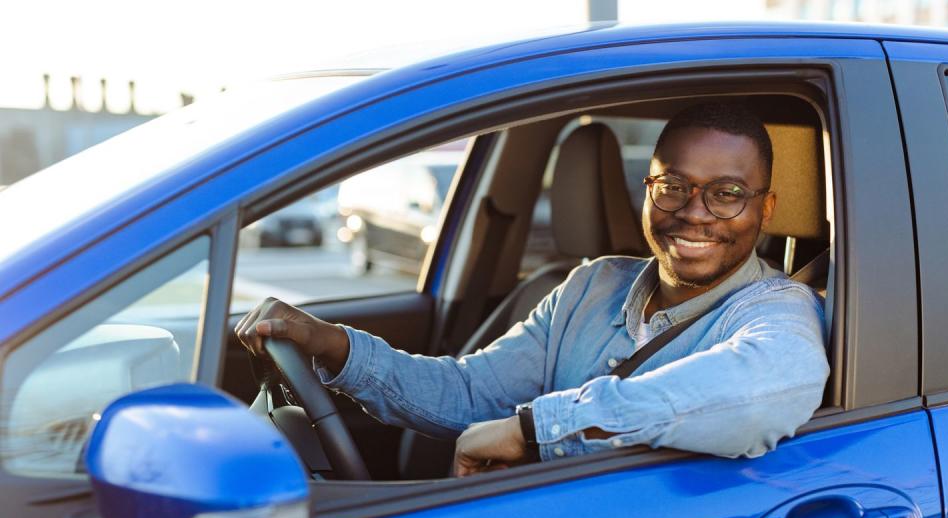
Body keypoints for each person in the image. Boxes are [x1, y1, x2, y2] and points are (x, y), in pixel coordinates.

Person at [236, 102, 830, 478]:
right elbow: (469, 393)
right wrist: (333, 344)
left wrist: (533, 432)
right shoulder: (590, 286)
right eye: (673, 185)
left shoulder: (777, 312)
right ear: (647, 188)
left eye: (726, 193)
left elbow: (755, 394)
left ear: (767, 207)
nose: (694, 213)